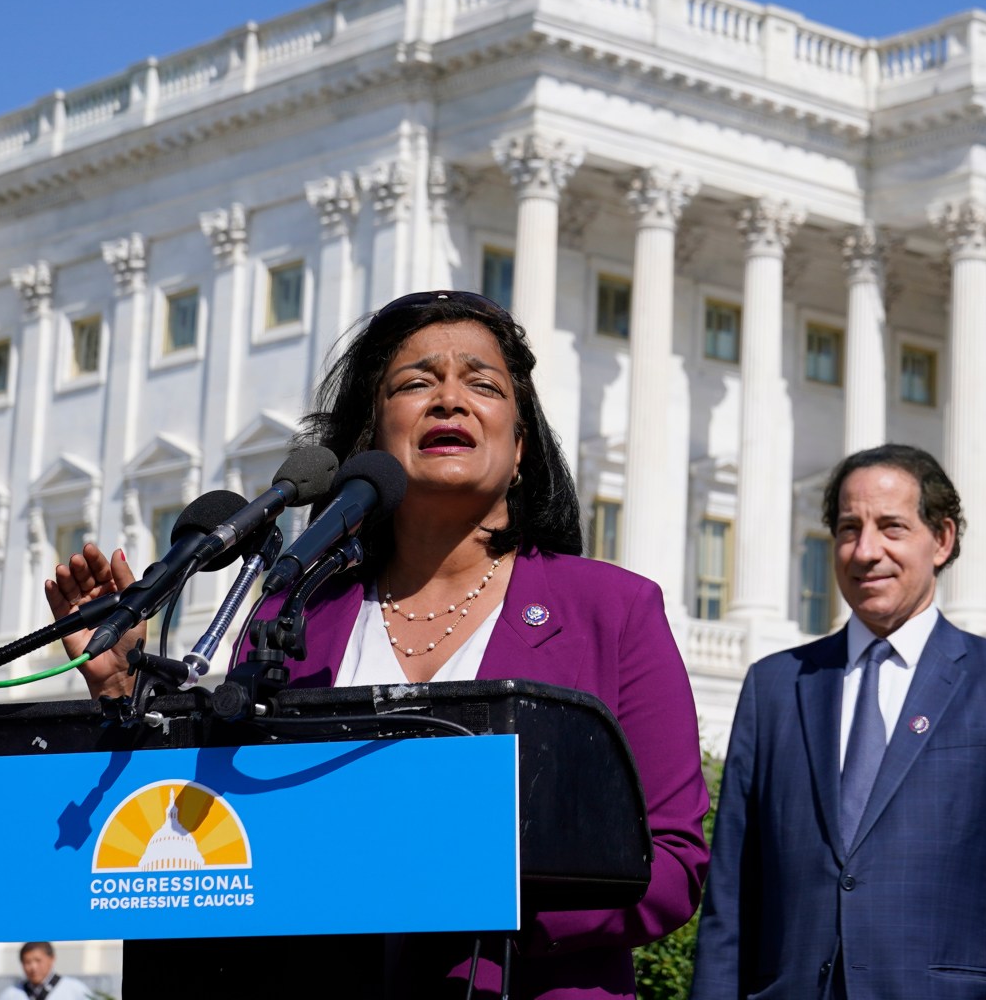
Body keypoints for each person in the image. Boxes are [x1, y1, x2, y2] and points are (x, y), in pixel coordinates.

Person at [46, 290, 709, 999]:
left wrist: (481, 896)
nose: (449, 400)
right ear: (372, 442)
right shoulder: (294, 610)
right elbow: (225, 830)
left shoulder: (613, 611)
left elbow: (671, 863)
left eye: (482, 384)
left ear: (519, 450)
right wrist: (120, 686)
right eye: (416, 382)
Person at [690, 443, 986, 1000]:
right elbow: (730, 899)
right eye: (849, 529)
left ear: (941, 539)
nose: (866, 551)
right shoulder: (774, 687)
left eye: (891, 527)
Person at [2, 942, 92, 1000]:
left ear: (52, 959)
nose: (33, 967)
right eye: (27, 962)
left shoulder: (75, 989)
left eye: (38, 960)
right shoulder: (12, 994)